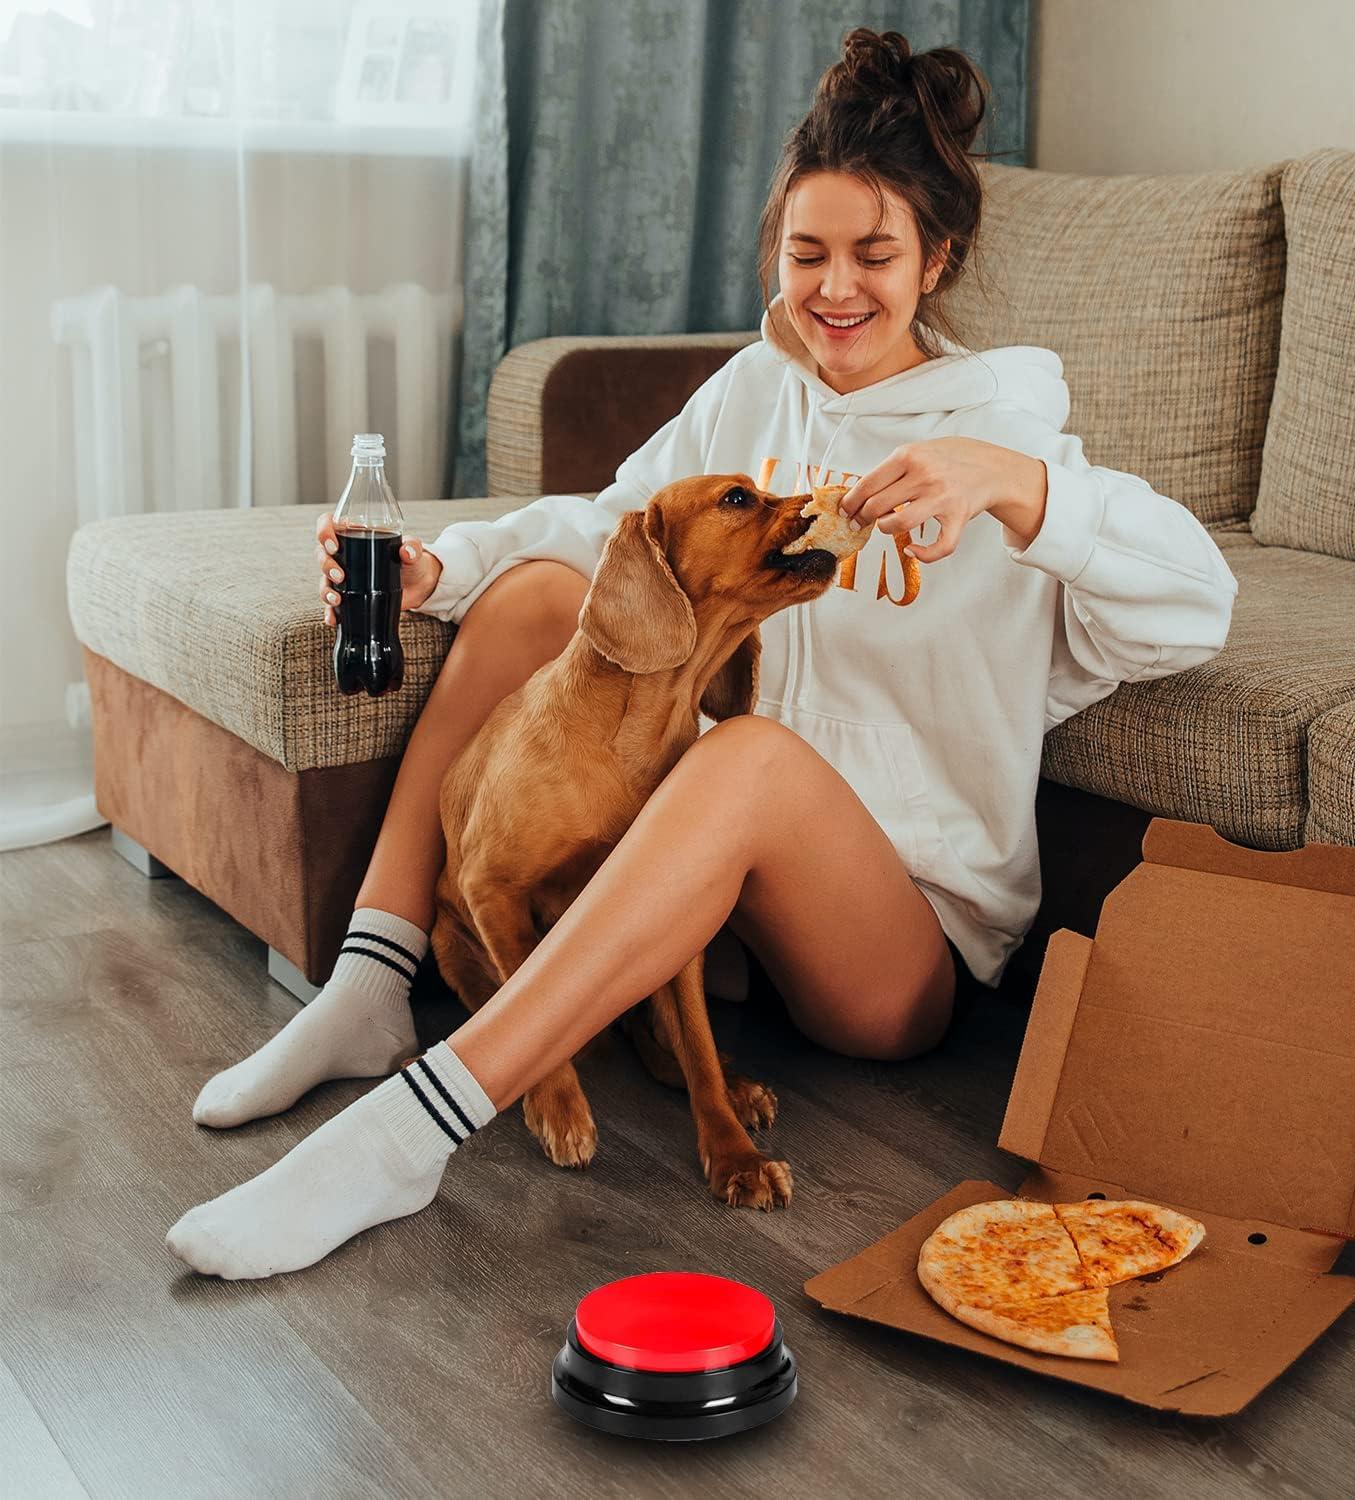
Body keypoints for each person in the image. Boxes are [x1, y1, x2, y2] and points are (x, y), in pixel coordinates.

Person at [166, 29, 1237, 1279]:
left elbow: (1196, 609)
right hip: (709, 913)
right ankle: (372, 977)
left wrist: (1013, 485)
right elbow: (614, 527)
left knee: (748, 756)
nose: (836, 289)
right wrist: (439, 572)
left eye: (876, 255)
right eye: (807, 253)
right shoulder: (752, 392)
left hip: (893, 943)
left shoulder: (1006, 437)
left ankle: (411, 1132)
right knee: (539, 592)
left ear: (936, 259)